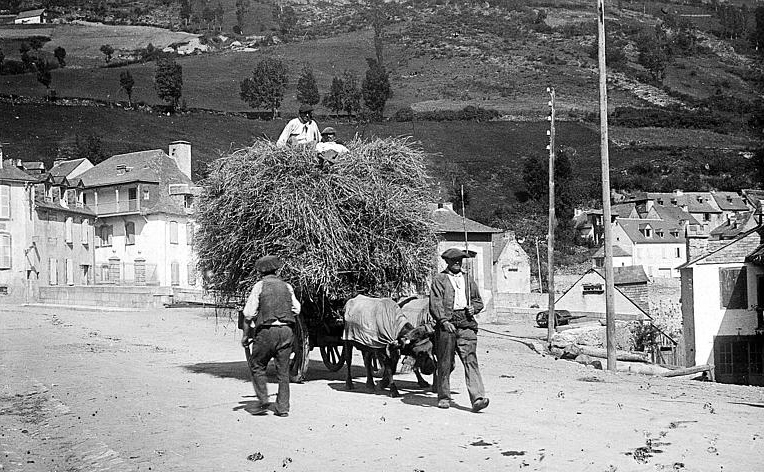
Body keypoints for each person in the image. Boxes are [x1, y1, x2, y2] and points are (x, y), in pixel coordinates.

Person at [429, 247, 489, 413]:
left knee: (470, 359)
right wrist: (443, 321)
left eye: (459, 260)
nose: (457, 263)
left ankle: (477, 397)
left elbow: (478, 301)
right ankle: (444, 397)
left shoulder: (468, 280)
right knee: (445, 362)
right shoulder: (440, 279)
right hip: (447, 325)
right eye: (453, 260)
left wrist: (473, 309)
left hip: (466, 323)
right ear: (447, 261)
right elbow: (435, 304)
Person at [241, 255, 301, 417]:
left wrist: (246, 337)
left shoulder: (259, 287)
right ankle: (282, 409)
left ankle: (263, 401)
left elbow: (248, 314)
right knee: (283, 372)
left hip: (267, 332)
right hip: (286, 332)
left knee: (257, 365)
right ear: (276, 270)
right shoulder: (287, 287)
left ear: (260, 272)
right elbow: (297, 309)